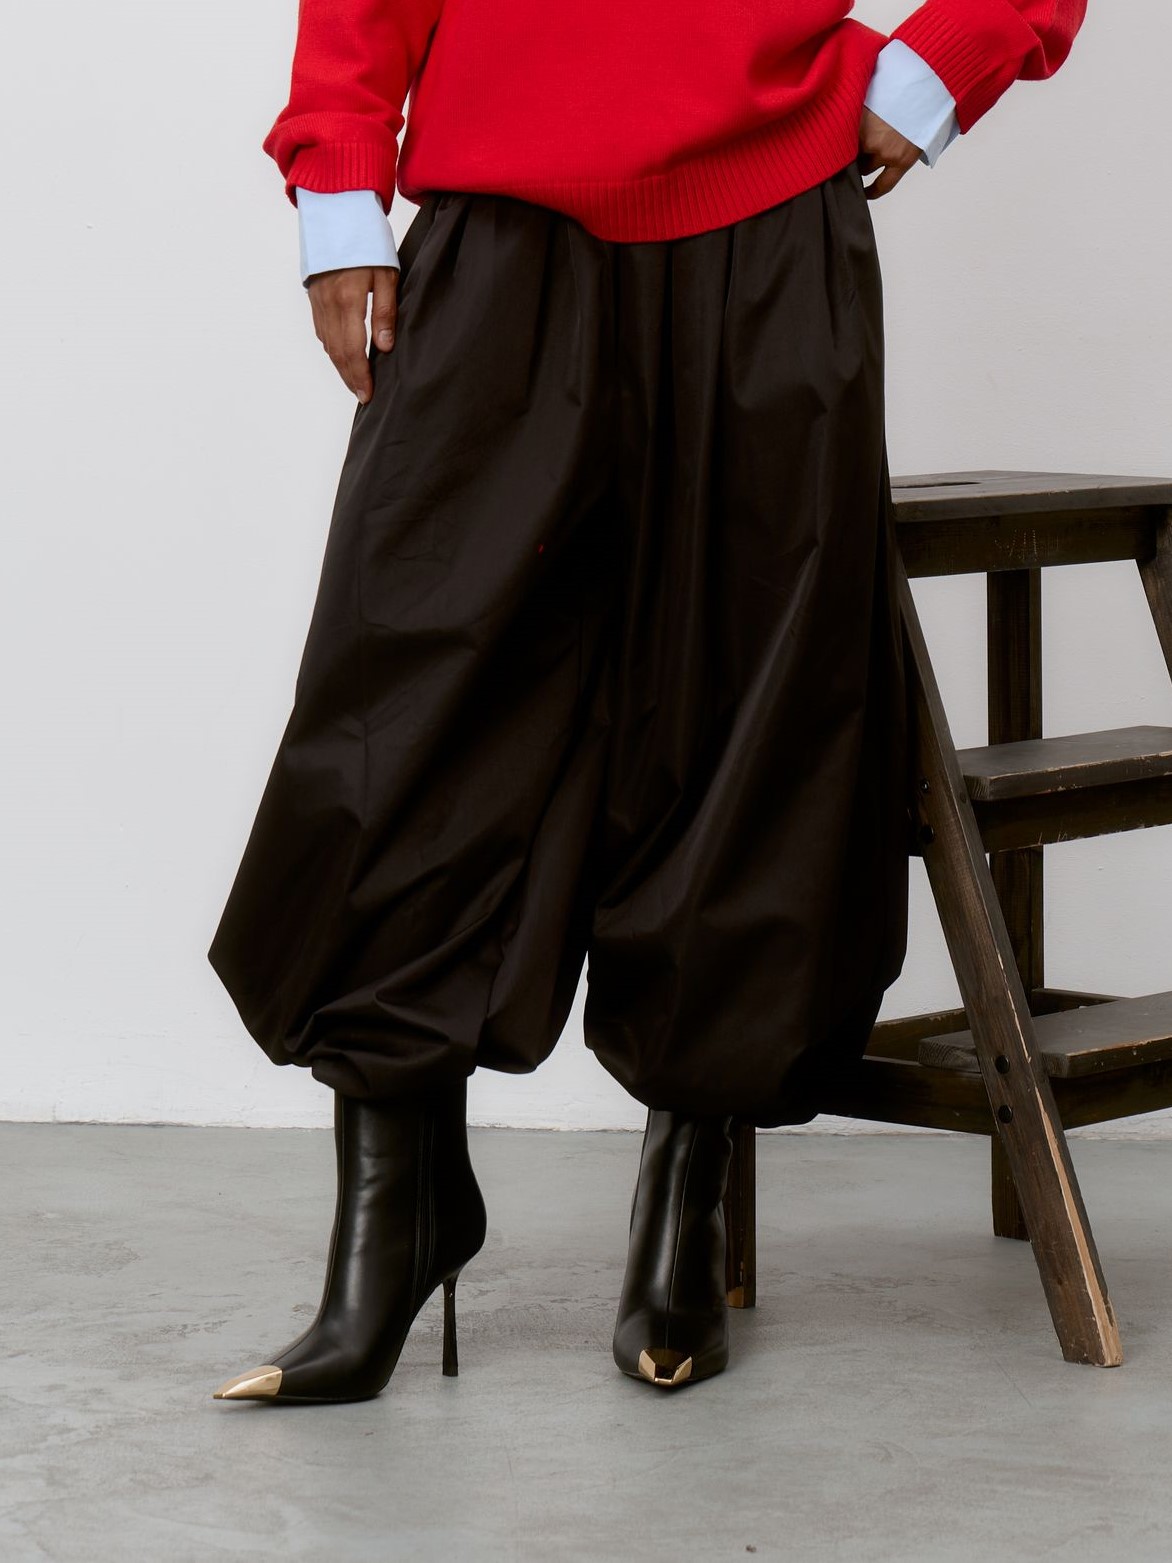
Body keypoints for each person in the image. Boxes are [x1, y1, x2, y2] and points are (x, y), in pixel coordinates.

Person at [209, 0, 1087, 1402]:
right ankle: (396, 1212)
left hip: (769, 219)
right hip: (499, 217)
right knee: (402, 702)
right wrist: (340, 180)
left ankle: (687, 1190)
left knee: (745, 707)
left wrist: (944, 64)